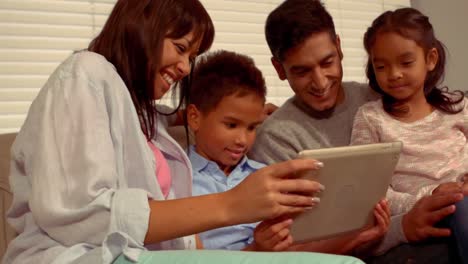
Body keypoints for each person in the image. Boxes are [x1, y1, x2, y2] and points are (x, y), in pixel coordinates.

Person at [3, 1, 366, 264]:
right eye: (180, 48)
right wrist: (231, 204)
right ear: (141, 27)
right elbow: (83, 215)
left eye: (192, 56)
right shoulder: (85, 72)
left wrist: (228, 113)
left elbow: (158, 121)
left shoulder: (137, 109)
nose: (184, 67)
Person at [248, 0, 464, 262]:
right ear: (279, 69)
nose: (319, 81)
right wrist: (403, 227)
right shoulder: (276, 139)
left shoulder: (381, 94)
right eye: (302, 71)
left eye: (327, 62)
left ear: (339, 47)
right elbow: (292, 245)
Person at [187, 50, 390, 254]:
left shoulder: (266, 176)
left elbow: (298, 250)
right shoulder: (178, 180)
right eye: (231, 125)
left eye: (251, 128)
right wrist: (257, 249)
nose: (242, 140)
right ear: (195, 118)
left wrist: (356, 237)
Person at [351, 7, 468, 262]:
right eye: (381, 66)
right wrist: (431, 195)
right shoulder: (371, 118)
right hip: (425, 213)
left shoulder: (458, 106)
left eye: (406, 63)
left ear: (431, 59)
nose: (394, 74)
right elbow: (372, 192)